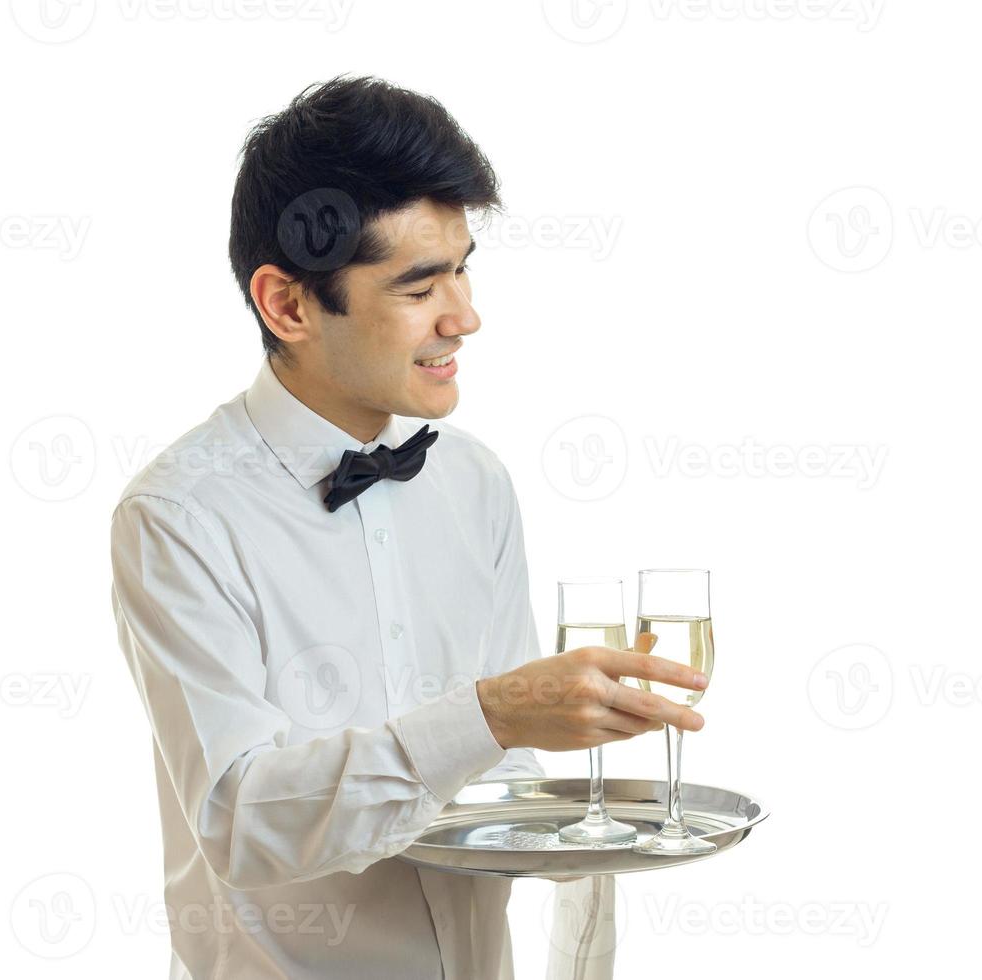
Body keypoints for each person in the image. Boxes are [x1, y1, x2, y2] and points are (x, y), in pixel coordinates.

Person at [109, 75, 708, 980]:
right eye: (420, 285)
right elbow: (241, 819)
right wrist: (492, 712)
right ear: (289, 305)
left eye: (463, 267)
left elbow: (514, 786)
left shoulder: (473, 481)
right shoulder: (179, 515)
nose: (465, 317)